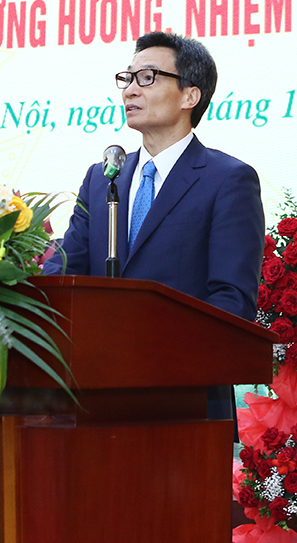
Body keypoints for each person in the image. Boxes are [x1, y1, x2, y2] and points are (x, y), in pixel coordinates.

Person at [45, 31, 265, 420]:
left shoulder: (228, 179)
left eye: (147, 77)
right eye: (127, 78)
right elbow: (64, 274)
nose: (130, 90)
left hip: (186, 405)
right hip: (93, 399)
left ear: (189, 96)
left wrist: (146, 350)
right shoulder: (102, 178)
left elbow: (232, 302)